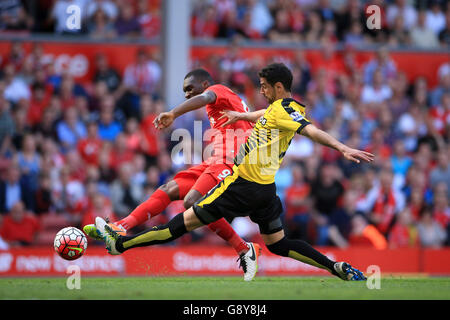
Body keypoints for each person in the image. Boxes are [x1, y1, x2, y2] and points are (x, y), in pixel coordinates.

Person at [94, 63, 374, 281]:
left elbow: (311, 130)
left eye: (264, 87)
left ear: (278, 87)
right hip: (265, 191)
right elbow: (264, 115)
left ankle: (122, 245)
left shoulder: (277, 108)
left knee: (180, 221)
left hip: (239, 184)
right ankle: (336, 267)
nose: (260, 91)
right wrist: (242, 116)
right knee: (278, 243)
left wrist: (341, 147)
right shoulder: (279, 109)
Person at [85, 69, 260, 281]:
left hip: (232, 163)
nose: (187, 94)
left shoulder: (217, 90)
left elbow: (206, 97)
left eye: (189, 89)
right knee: (168, 190)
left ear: (205, 83)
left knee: (193, 202)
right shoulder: (225, 103)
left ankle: (242, 247)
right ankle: (119, 227)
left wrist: (173, 113)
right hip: (216, 161)